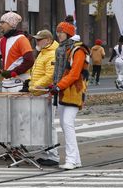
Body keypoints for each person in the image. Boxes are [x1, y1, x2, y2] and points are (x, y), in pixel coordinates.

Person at [51, 19, 90, 170]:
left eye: (61, 32)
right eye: (58, 31)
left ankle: (71, 160)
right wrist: (55, 85)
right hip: (63, 91)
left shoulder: (78, 50)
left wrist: (58, 86)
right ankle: (76, 160)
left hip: (74, 91)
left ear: (68, 33)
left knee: (67, 123)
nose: (58, 34)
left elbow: (74, 74)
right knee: (65, 124)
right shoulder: (65, 49)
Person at [0, 12, 34, 93]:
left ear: (11, 24)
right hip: (6, 84)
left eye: (2, 22)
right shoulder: (2, 40)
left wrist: (12, 72)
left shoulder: (22, 39)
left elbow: (29, 61)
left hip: (19, 84)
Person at [29, 29, 60, 167]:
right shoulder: (43, 53)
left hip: (45, 94)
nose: (37, 42)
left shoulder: (51, 54)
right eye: (37, 39)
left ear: (48, 40)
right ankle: (45, 153)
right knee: (41, 125)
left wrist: (34, 85)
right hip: (39, 93)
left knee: (49, 125)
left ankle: (53, 155)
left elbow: (50, 76)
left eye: (39, 39)